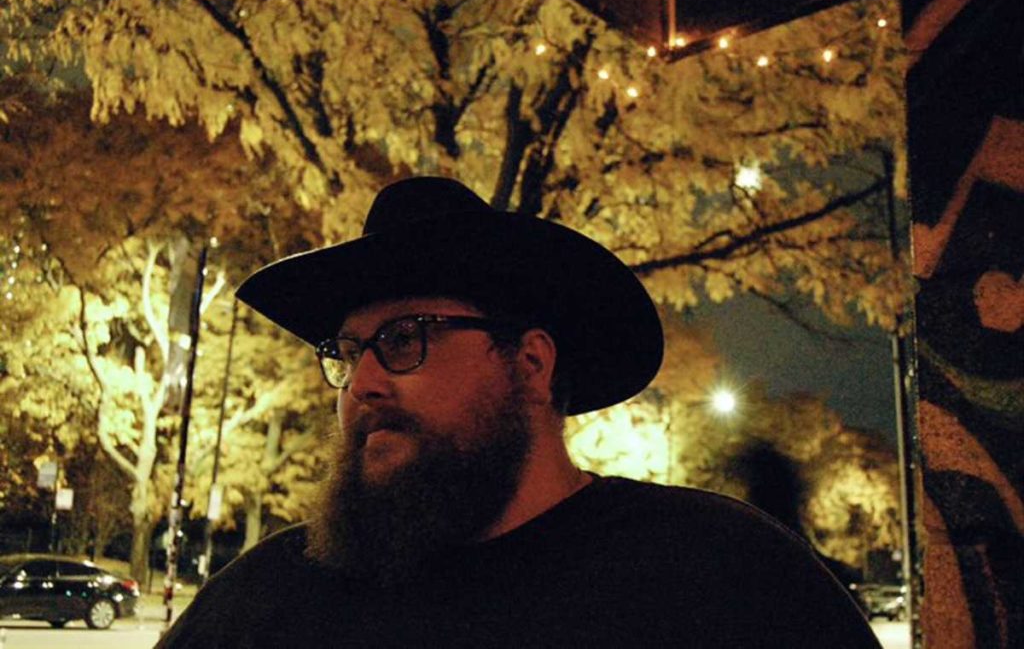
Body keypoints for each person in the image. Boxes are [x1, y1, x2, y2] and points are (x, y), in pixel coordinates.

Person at [157, 177, 880, 648]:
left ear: (530, 364)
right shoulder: (262, 605)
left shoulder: (720, 577)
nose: (362, 383)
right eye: (346, 354)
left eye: (404, 339)